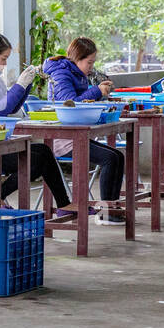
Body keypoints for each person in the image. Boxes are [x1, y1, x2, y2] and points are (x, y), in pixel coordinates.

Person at [0, 32, 84, 220]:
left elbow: (10, 107)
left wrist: (26, 84)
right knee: (36, 161)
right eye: (3, 59)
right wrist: (19, 85)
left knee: (43, 152)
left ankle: (64, 204)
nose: (5, 65)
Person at [41, 37, 125, 223]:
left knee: (118, 156)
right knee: (110, 159)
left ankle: (111, 209)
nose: (91, 67)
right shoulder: (61, 74)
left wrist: (100, 95)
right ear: (77, 58)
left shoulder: (77, 74)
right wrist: (96, 91)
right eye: (89, 62)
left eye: (93, 62)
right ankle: (106, 213)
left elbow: (82, 101)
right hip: (64, 138)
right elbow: (69, 105)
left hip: (78, 134)